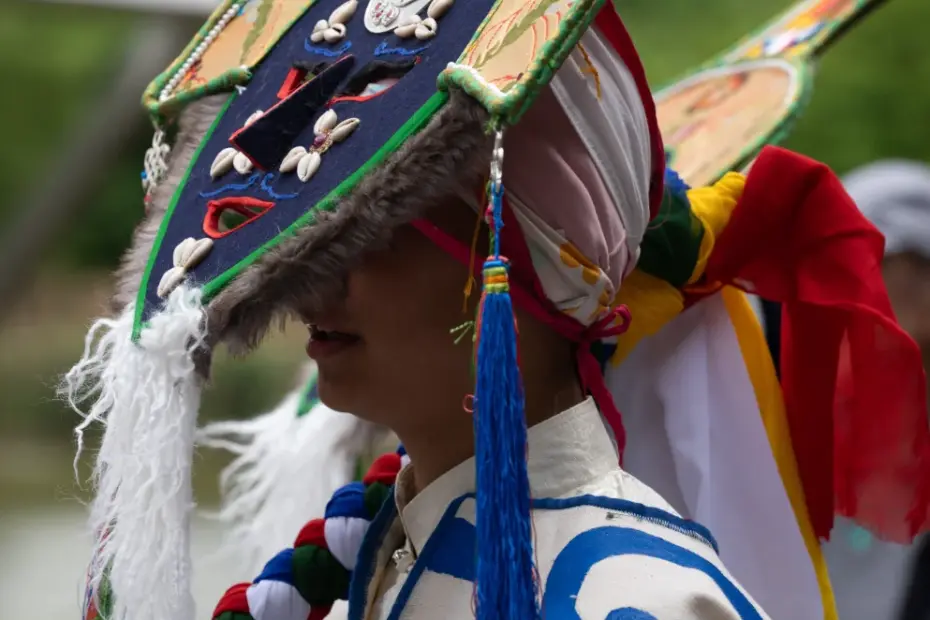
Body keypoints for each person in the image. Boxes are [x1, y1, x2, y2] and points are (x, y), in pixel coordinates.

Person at [64, 2, 929, 620]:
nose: (310, 287)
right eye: (305, 247)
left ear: (515, 273)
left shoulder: (636, 594)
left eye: (372, 238)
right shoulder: (386, 546)